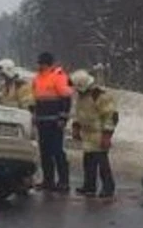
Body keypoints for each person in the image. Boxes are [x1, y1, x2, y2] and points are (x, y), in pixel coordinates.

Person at [68, 69, 118, 198]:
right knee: (88, 162)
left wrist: (107, 136)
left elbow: (110, 117)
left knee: (102, 163)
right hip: (88, 134)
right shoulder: (81, 97)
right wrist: (76, 127)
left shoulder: (100, 96)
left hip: (99, 134)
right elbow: (78, 113)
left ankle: (108, 188)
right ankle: (89, 186)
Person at [30, 51, 73, 193]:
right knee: (45, 152)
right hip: (42, 121)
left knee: (57, 152)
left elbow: (66, 99)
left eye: (41, 63)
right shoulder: (37, 78)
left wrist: (63, 118)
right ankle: (48, 181)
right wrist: (34, 115)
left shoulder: (58, 76)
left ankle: (63, 181)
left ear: (47, 64)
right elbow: (35, 99)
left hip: (55, 122)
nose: (39, 66)